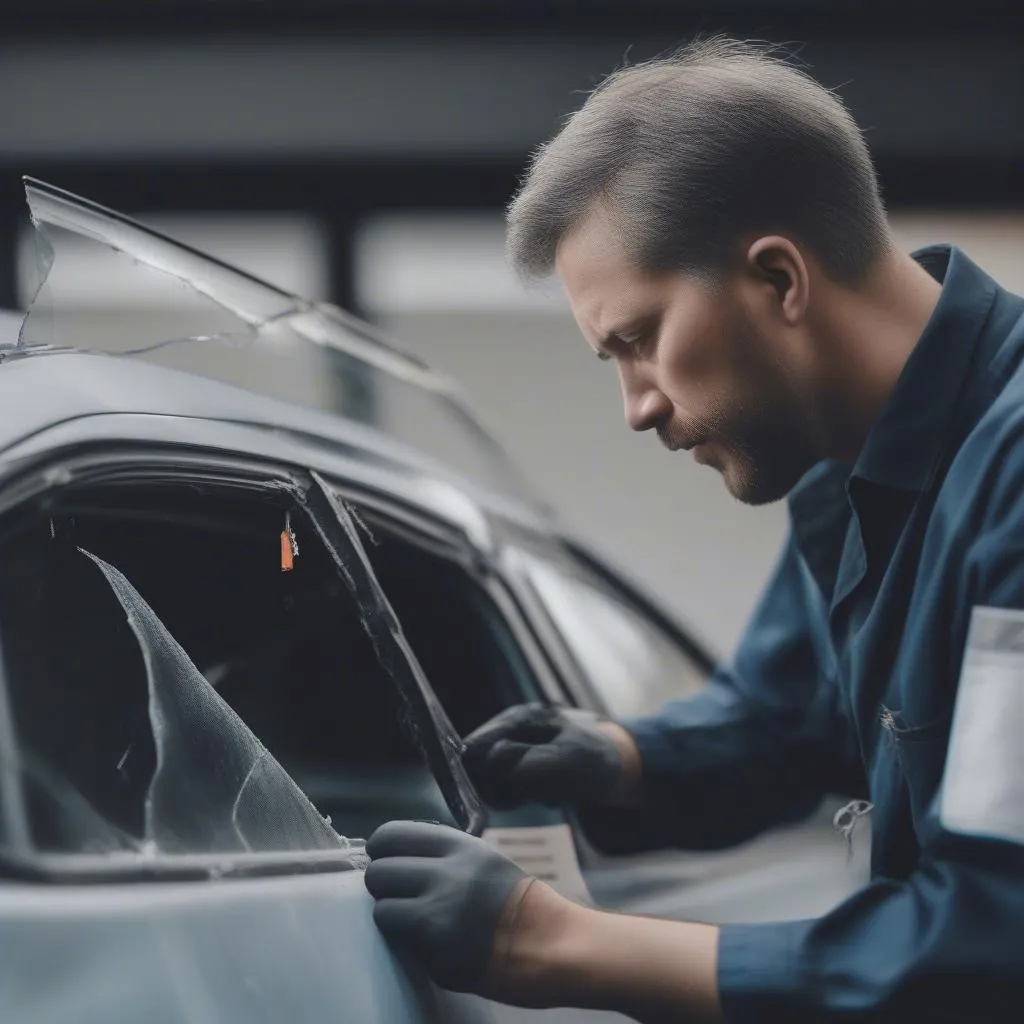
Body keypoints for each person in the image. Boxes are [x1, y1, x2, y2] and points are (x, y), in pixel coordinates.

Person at [363, 36, 1024, 1022]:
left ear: (778, 280)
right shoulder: (848, 469)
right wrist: (620, 759)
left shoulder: (1012, 475)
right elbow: (787, 719)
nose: (636, 406)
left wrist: (544, 940)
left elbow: (993, 936)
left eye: (638, 339)